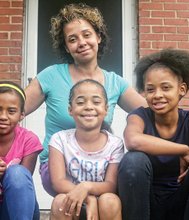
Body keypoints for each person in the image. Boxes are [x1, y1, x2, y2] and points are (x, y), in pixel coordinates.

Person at [24, 3, 146, 196]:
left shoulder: (116, 83)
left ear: (98, 36)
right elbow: (13, 110)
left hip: (99, 171)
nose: (81, 42)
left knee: (109, 202)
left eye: (87, 35)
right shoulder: (50, 76)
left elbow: (151, 113)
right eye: (72, 39)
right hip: (59, 170)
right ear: (66, 46)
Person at [118, 48, 189, 220]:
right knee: (133, 160)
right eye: (150, 89)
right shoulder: (140, 116)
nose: (157, 95)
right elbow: (133, 140)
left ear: (181, 89)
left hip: (182, 203)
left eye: (165, 88)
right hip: (145, 203)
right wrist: (184, 149)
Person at [49, 79, 123, 220]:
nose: (88, 107)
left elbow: (111, 185)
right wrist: (89, 199)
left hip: (103, 206)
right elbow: (58, 182)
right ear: (70, 110)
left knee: (110, 200)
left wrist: (86, 187)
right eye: (81, 102)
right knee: (60, 201)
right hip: (72, 201)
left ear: (106, 109)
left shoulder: (115, 144)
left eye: (96, 102)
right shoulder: (59, 139)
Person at [0, 81, 43, 220]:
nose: (3, 116)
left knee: (17, 172)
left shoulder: (28, 140)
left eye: (11, 111)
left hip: (17, 210)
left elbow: (22, 183)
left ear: (22, 114)